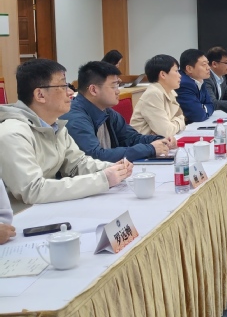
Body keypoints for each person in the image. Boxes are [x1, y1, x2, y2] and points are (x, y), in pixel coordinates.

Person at [0, 59, 132, 208]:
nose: (70, 92)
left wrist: (113, 168)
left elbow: (77, 164)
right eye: (63, 86)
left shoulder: (56, 126)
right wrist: (103, 179)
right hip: (20, 216)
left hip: (46, 208)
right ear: (40, 95)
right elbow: (33, 190)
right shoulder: (12, 134)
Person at [62, 61, 173, 162]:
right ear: (93, 90)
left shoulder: (106, 111)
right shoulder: (75, 118)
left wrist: (160, 140)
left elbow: (131, 138)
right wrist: (149, 149)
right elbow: (94, 156)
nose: (118, 91)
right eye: (114, 86)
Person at [130, 55, 186, 138]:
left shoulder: (170, 92)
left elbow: (181, 117)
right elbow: (166, 132)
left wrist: (176, 122)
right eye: (176, 71)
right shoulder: (153, 94)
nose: (180, 75)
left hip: (159, 141)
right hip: (144, 143)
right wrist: (179, 121)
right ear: (163, 74)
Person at [176, 49, 214, 124]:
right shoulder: (184, 84)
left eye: (208, 63)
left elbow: (211, 104)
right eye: (204, 64)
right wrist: (203, 108)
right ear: (189, 69)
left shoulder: (200, 80)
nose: (208, 67)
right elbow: (198, 115)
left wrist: (202, 108)